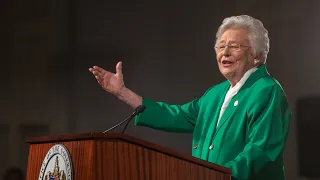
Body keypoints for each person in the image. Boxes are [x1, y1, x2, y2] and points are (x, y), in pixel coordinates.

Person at [89, 15, 291, 180]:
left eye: (235, 46)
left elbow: (260, 150)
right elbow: (176, 116)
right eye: (221, 47)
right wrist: (123, 92)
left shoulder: (266, 90)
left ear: (256, 55)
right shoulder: (215, 94)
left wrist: (217, 176)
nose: (225, 53)